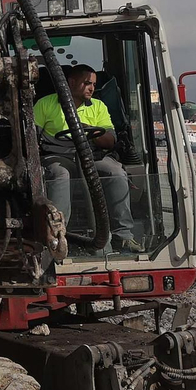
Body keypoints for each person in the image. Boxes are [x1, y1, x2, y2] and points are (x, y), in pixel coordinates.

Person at [34, 64, 137, 250]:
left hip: (93, 155)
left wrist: (89, 130)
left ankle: (123, 236)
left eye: (94, 84)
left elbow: (110, 141)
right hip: (58, 155)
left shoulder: (98, 106)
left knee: (116, 172)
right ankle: (58, 237)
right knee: (60, 175)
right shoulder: (45, 104)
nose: (92, 88)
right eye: (87, 83)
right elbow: (32, 139)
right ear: (71, 82)